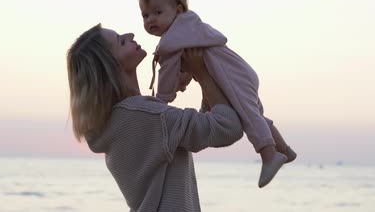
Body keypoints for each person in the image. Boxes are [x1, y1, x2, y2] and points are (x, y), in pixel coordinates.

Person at [139, 0, 297, 188]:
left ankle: (269, 155)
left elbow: (168, 73)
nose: (150, 20)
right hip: (236, 71)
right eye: (145, 15)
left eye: (158, 13)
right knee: (251, 113)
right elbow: (183, 67)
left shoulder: (172, 41)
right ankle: (285, 150)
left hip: (231, 75)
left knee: (248, 114)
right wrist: (183, 80)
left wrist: (162, 99)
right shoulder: (187, 31)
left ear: (177, 11)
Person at [67, 24, 244, 212]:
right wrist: (201, 71)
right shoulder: (145, 116)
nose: (131, 34)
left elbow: (200, 129)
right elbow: (227, 127)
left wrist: (198, 75)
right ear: (110, 64)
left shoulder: (121, 120)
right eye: (121, 41)